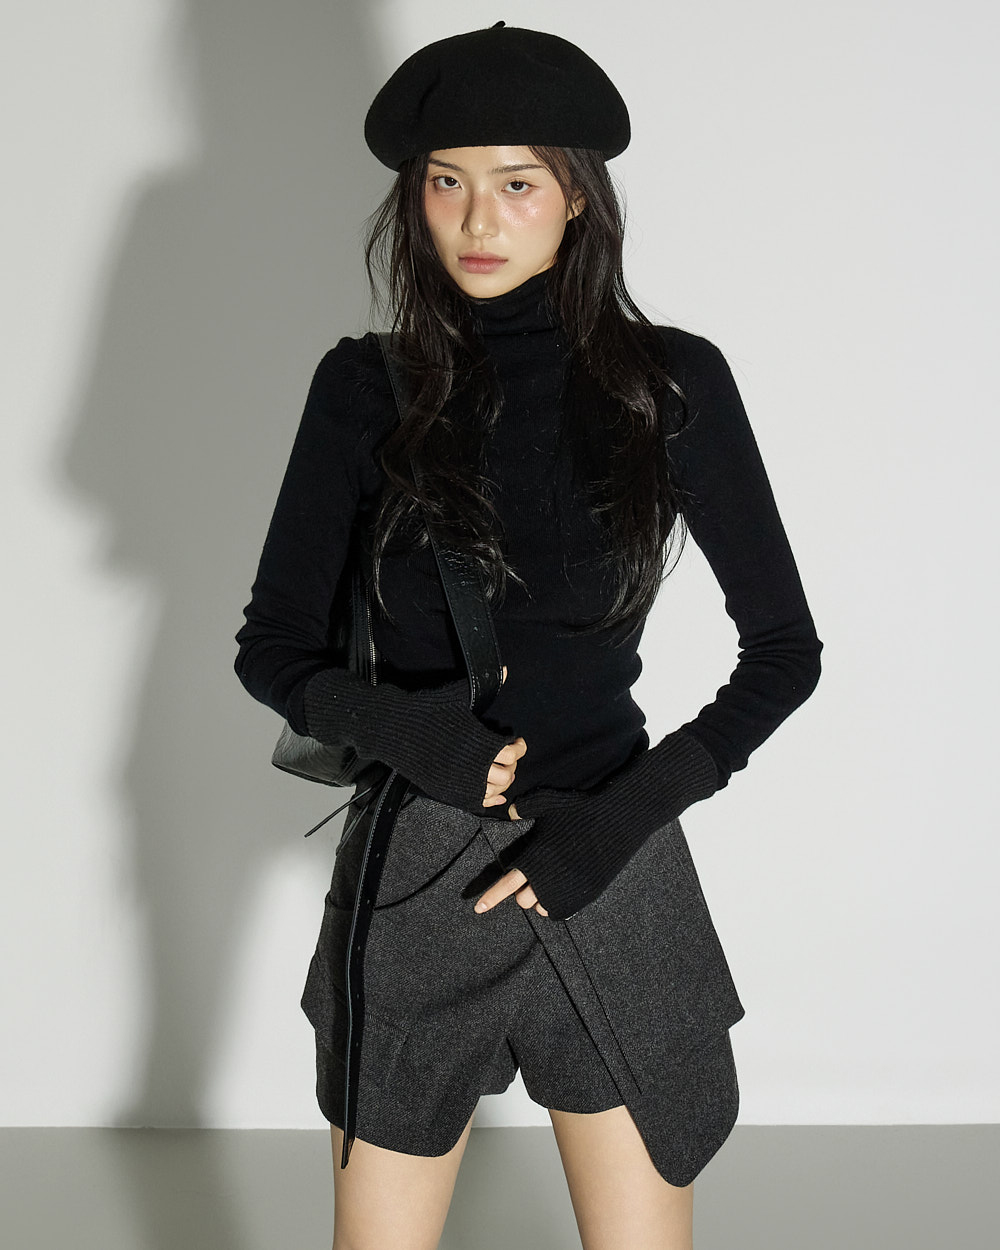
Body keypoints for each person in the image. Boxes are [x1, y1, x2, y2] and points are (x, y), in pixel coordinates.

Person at [234, 22, 822, 1250]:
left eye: (515, 184)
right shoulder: (364, 388)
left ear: (576, 198)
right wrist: (410, 733)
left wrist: (617, 820)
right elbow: (272, 645)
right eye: (445, 182)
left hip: (614, 860)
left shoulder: (669, 384)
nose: (476, 220)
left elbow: (783, 650)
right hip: (422, 875)